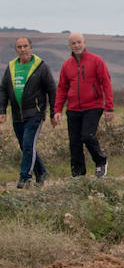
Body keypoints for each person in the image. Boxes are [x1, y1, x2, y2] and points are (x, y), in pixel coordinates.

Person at [53, 32, 112, 178]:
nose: (77, 45)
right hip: (73, 108)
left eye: (79, 42)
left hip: (93, 105)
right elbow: (61, 88)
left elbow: (106, 83)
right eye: (73, 43)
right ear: (69, 46)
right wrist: (57, 110)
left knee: (87, 136)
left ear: (84, 43)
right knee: (74, 143)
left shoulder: (96, 61)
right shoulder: (67, 65)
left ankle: (100, 161)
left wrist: (109, 107)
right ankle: (78, 175)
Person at [1, 37, 55, 187]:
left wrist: (53, 112)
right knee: (25, 146)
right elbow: (4, 90)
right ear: (16, 50)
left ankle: (25, 178)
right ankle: (41, 172)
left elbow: (51, 89)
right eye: (19, 47)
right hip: (17, 114)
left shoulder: (40, 67)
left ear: (30, 48)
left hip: (35, 113)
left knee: (28, 144)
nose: (23, 49)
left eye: (25, 46)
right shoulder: (11, 67)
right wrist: (2, 110)